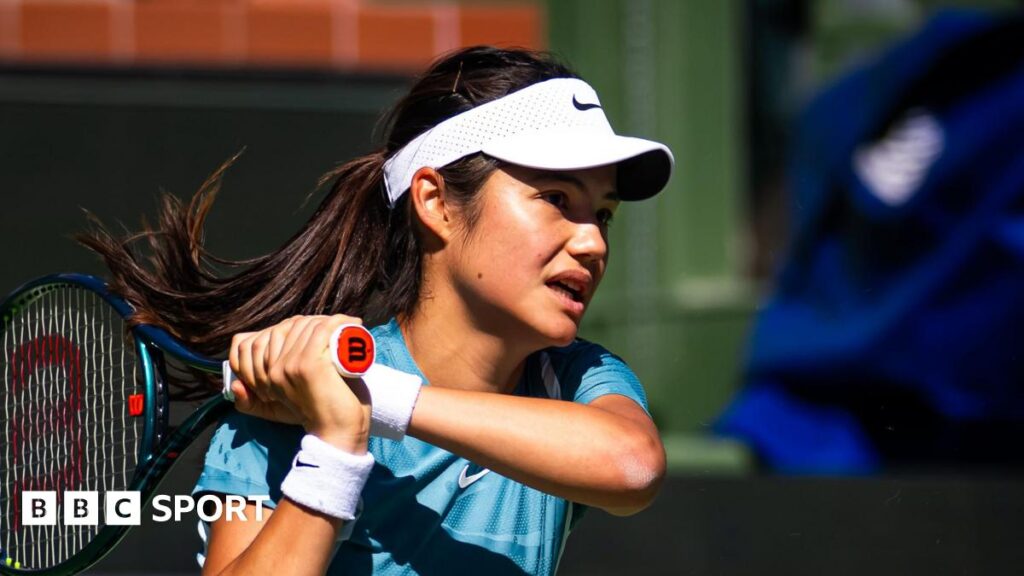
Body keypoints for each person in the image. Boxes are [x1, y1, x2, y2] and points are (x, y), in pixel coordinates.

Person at [80, 46, 673, 575]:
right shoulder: (277, 419)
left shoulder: (577, 380)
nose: (592, 241)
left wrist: (374, 399)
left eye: (603, 214)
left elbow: (631, 466)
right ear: (436, 202)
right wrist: (335, 445)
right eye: (555, 198)